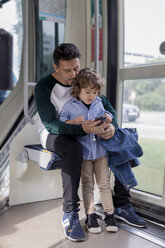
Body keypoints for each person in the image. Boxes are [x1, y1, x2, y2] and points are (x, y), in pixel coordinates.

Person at [35, 43, 146, 242]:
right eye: (67, 70)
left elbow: (109, 109)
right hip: (56, 132)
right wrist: (82, 129)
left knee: (123, 136)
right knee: (73, 149)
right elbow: (51, 124)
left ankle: (121, 204)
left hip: (88, 129)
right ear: (56, 68)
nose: (73, 74)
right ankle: (70, 213)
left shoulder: (83, 80)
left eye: (76, 68)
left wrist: (112, 127)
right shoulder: (44, 86)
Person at [59, 68, 118, 234]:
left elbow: (105, 114)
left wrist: (108, 117)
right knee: (87, 185)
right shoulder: (70, 106)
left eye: (94, 91)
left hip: (100, 152)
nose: (91, 95)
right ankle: (91, 216)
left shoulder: (99, 102)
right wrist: (72, 122)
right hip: (84, 154)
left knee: (105, 184)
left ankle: (109, 215)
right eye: (87, 91)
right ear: (78, 90)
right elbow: (61, 125)